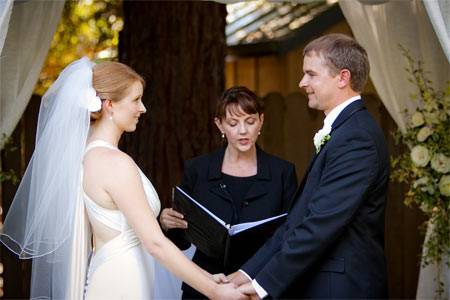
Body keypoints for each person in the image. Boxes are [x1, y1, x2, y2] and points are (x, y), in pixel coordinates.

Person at [0, 57, 247, 300]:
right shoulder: (115, 163)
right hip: (124, 283)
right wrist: (213, 291)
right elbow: (154, 243)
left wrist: (208, 277)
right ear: (109, 105)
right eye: (136, 100)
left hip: (111, 273)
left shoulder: (88, 155)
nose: (143, 108)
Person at [229, 33, 390, 299]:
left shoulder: (357, 138)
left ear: (343, 77)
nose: (302, 82)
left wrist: (261, 287)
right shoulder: (344, 131)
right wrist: (246, 274)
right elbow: (297, 221)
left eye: (311, 74)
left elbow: (319, 224)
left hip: (343, 289)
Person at [159, 86, 298, 299]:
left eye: (250, 121)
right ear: (219, 125)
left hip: (258, 286)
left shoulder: (282, 172)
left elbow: (290, 234)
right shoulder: (198, 169)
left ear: (261, 121)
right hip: (204, 285)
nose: (243, 131)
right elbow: (182, 241)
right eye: (233, 123)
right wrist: (168, 224)